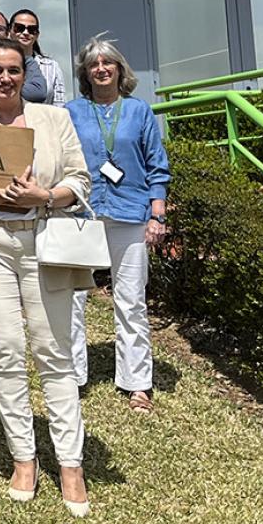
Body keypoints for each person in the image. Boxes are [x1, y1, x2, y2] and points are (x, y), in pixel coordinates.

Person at [0, 38, 93, 517]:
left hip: (44, 244)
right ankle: (23, 458)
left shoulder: (55, 118)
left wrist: (44, 195)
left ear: (25, 74)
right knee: (5, 354)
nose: (4, 78)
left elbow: (80, 181)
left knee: (54, 353)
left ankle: (71, 463)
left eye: (12, 70)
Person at [66, 36, 170, 414]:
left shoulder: (139, 111)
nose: (101, 68)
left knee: (131, 302)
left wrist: (157, 212)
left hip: (130, 214)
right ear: (85, 73)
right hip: (83, 215)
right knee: (73, 300)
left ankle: (137, 383)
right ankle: (74, 377)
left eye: (108, 62)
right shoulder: (71, 111)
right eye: (94, 64)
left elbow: (157, 164)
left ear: (120, 69)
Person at [12, 9, 67, 105]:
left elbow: (59, 103)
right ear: (10, 31)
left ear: (37, 35)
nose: (25, 32)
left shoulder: (51, 67)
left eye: (31, 29)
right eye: (19, 28)